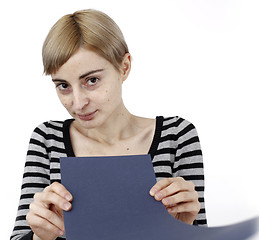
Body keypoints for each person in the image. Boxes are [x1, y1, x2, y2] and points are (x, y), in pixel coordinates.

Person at [10, 9, 207, 240]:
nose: (78, 103)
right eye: (63, 85)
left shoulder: (177, 136)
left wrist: (183, 230)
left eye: (91, 80)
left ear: (124, 67)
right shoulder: (47, 139)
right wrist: (40, 236)